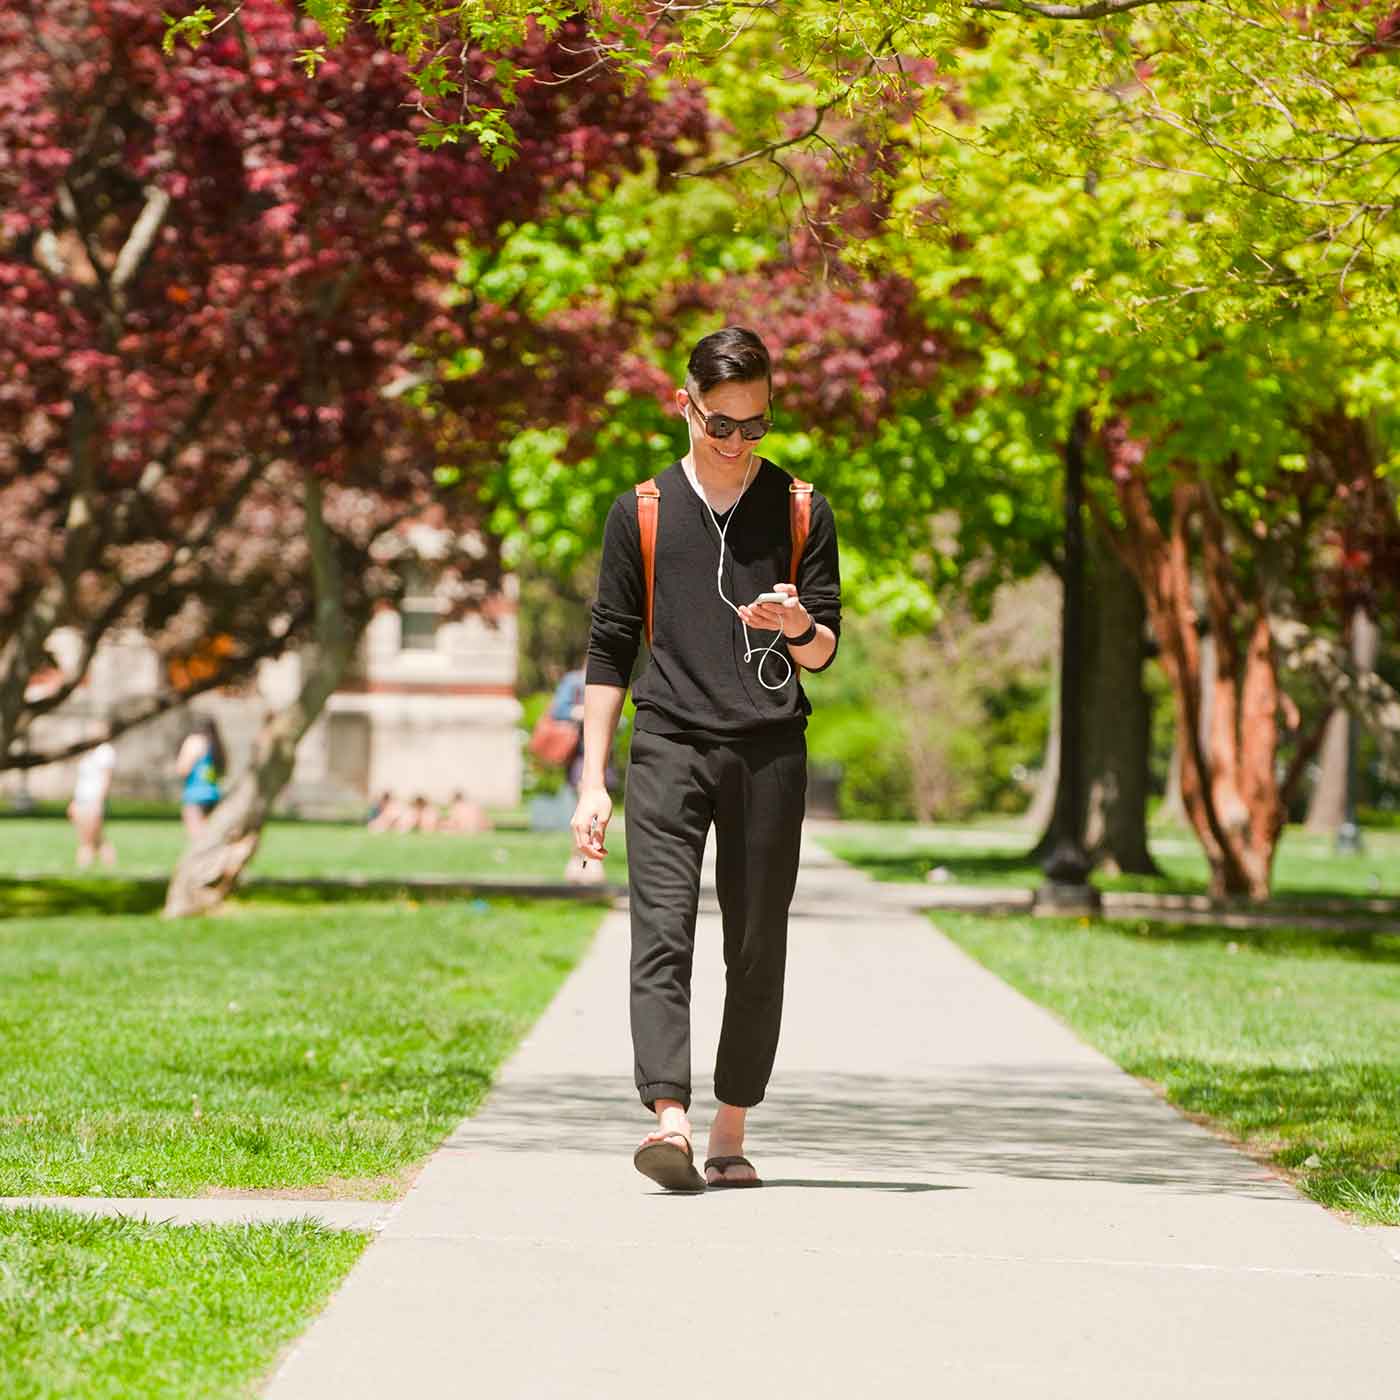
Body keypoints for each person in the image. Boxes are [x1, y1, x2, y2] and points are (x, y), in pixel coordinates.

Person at [572, 325, 842, 1191]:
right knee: (659, 932)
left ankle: (731, 1127)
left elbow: (827, 648)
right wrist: (591, 782)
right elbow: (610, 651)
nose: (735, 444)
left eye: (755, 426)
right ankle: (670, 1122)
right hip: (668, 745)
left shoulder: (802, 508)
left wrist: (797, 624)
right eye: (719, 424)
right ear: (681, 403)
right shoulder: (641, 510)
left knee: (757, 944)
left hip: (770, 752)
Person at [68, 723, 117, 868]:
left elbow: (106, 778)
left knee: (90, 838)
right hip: (81, 799)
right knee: (89, 837)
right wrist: (74, 801)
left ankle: (85, 867)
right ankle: (101, 865)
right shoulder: (88, 752)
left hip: (94, 799)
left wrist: (99, 801)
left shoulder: (105, 752)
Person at [177, 716, 225, 836]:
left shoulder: (195, 741)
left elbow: (183, 768)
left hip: (195, 794)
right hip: (213, 794)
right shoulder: (215, 744)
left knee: (197, 836)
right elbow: (222, 772)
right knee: (209, 835)